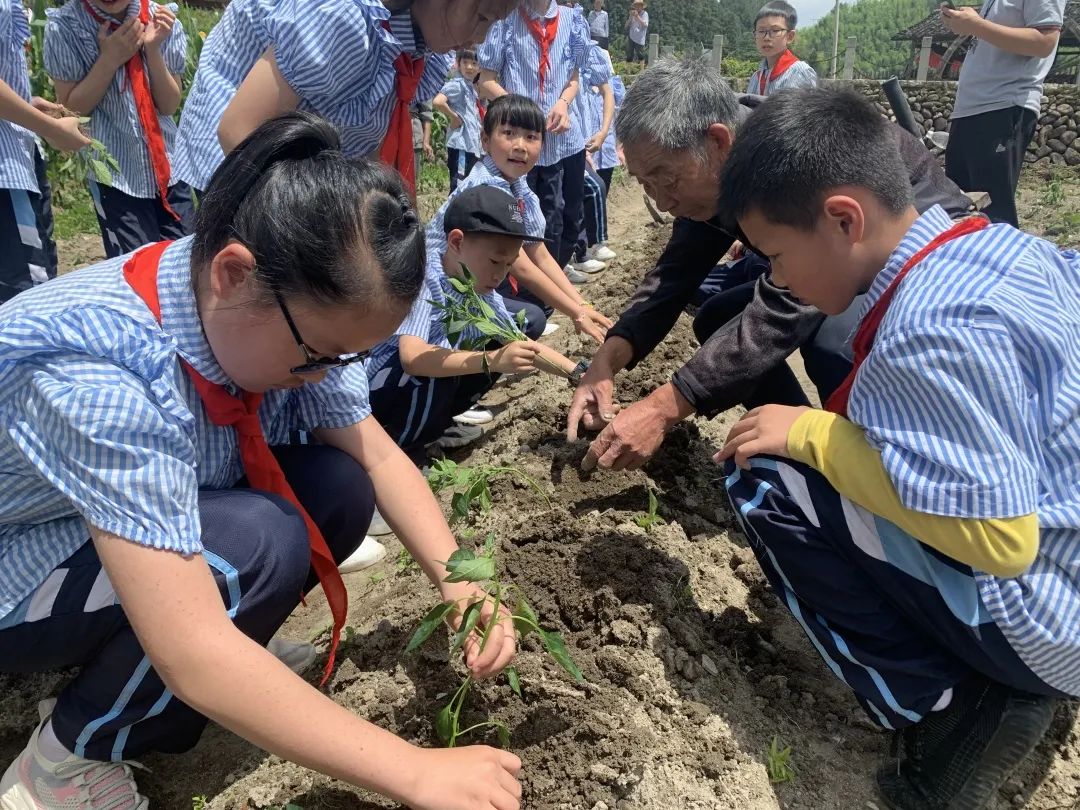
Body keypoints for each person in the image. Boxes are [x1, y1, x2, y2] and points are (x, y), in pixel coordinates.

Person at [0, 113, 522, 810]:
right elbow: (191, 650)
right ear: (233, 273)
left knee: (338, 488)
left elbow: (373, 452)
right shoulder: (100, 376)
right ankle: (65, 761)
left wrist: (460, 586)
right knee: (253, 545)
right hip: (16, 566)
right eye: (316, 357)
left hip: (89, 527)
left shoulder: (261, 294)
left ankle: (234, 648)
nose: (323, 375)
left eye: (344, 359)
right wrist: (413, 771)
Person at [717, 85, 1076, 810]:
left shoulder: (925, 330)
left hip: (1048, 621)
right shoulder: (1001, 248)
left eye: (777, 256)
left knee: (766, 476)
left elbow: (1000, 539)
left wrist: (813, 433)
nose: (777, 280)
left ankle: (951, 707)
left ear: (843, 218)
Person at [566, 57, 974, 471]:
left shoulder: (787, 155)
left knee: (835, 339)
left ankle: (878, 465)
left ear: (717, 141)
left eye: (666, 179)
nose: (663, 202)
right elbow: (675, 272)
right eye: (645, 185)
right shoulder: (721, 170)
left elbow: (793, 299)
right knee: (719, 316)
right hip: (841, 265)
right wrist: (607, 359)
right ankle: (801, 459)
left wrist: (663, 407)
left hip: (920, 261)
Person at [173, 0, 517, 197]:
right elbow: (239, 133)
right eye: (481, 17)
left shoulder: (417, 41)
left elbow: (366, 136)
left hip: (304, 169)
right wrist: (322, 218)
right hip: (240, 171)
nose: (481, 36)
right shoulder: (341, 19)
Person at [368, 184, 578, 462]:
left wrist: (579, 374)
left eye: (509, 264)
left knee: (493, 346)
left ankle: (436, 428)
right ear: (456, 242)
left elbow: (520, 344)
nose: (500, 275)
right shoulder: (426, 278)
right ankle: (405, 451)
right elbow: (412, 358)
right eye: (495, 261)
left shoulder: (480, 293)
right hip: (381, 389)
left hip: (415, 388)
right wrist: (492, 359)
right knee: (439, 366)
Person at [437, 93, 613, 346]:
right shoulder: (486, 188)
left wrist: (581, 305)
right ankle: (467, 355)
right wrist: (576, 312)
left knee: (543, 304)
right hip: (444, 291)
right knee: (531, 318)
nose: (520, 146)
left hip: (474, 277)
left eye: (531, 137)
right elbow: (519, 264)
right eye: (509, 133)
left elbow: (539, 254)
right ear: (485, 140)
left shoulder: (518, 186)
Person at [44, 0, 194, 258]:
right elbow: (71, 110)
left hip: (170, 171)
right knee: (135, 266)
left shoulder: (162, 21)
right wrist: (109, 60)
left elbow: (169, 105)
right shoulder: (65, 26)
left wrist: (153, 49)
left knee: (184, 262)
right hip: (117, 177)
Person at [477, 0, 598, 281]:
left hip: (560, 141)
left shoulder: (571, 20)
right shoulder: (505, 19)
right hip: (521, 146)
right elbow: (486, 81)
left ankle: (552, 280)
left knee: (564, 218)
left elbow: (574, 77)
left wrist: (563, 103)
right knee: (522, 219)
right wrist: (525, 115)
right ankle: (526, 291)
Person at [943, 0, 1065, 228]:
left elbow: (1044, 42)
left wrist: (976, 25)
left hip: (1002, 106)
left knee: (993, 217)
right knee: (959, 215)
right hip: (970, 108)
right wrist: (967, 24)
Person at [0, 0, 89, 303]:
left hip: (18, 156)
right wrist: (51, 129)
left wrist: (25, 105)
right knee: (25, 299)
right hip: (6, 170)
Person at [433, 48, 484, 193]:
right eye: (465, 62)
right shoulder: (457, 84)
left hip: (470, 145)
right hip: (461, 144)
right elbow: (438, 102)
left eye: (474, 63)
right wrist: (454, 117)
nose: (469, 67)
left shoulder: (469, 86)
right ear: (458, 63)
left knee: (468, 184)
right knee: (459, 185)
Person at [746, 1, 817, 97]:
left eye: (775, 31)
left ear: (790, 36)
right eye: (761, 31)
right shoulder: (756, 77)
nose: (766, 37)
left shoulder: (801, 73)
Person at [625, 0, 648, 65]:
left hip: (640, 37)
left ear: (642, 6)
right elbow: (626, 26)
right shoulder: (632, 14)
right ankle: (629, 70)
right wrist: (630, 17)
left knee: (640, 54)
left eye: (639, 5)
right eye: (636, 5)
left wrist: (637, 16)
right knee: (629, 54)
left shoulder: (645, 14)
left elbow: (645, 25)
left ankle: (642, 69)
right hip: (631, 36)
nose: (637, 7)